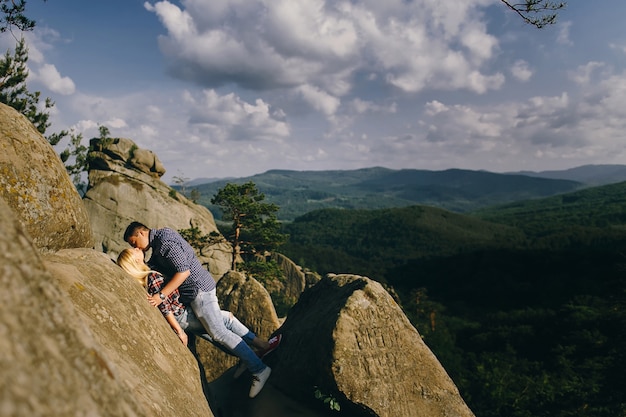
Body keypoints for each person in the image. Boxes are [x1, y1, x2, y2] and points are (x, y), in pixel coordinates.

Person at [123, 221, 278, 398]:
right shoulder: (159, 241)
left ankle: (259, 369)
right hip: (194, 294)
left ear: (142, 233)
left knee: (218, 332)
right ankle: (256, 351)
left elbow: (183, 272)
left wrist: (161, 296)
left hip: (198, 291)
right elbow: (155, 267)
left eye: (134, 243)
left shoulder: (164, 243)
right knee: (222, 323)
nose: (136, 248)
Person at [116, 247, 280, 362]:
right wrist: (179, 331)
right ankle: (259, 355)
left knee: (216, 334)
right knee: (227, 320)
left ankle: (251, 355)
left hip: (184, 314)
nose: (137, 249)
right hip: (183, 316)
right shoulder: (152, 277)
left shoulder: (146, 276)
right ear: (136, 261)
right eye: (134, 251)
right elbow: (164, 306)